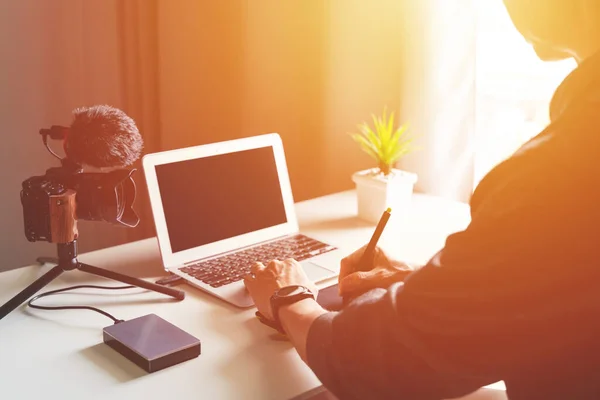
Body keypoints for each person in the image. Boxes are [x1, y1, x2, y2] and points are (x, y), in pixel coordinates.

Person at [243, 1, 600, 399]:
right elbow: (556, 303)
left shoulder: (559, 172)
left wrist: (289, 298)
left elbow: (376, 364)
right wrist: (438, 289)